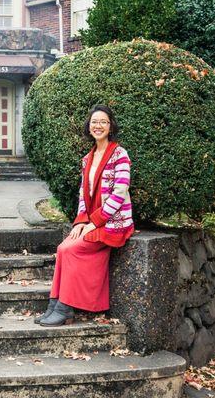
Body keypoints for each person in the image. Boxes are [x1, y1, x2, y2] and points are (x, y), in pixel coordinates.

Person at [36, 104, 134, 327]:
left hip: (113, 223)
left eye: (103, 122)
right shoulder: (87, 158)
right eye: (94, 122)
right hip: (92, 222)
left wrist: (94, 222)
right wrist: (81, 222)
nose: (98, 126)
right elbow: (83, 193)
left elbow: (120, 193)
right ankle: (54, 304)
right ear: (89, 127)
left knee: (71, 250)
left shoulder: (120, 154)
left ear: (111, 127)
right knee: (62, 248)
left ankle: (65, 308)